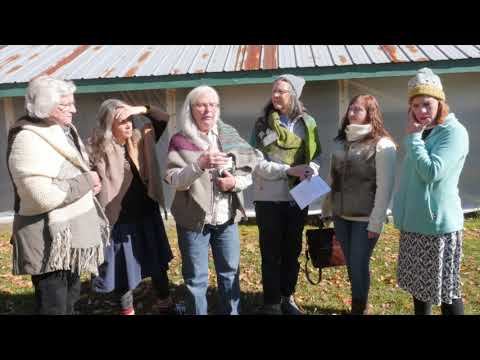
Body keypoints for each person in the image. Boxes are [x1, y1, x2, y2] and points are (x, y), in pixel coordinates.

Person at [6, 76, 108, 315]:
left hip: (68, 235)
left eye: (72, 102)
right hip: (46, 238)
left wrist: (89, 182)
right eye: (65, 105)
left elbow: (75, 169)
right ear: (45, 106)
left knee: (70, 298)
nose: (74, 109)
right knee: (53, 305)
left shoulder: (63, 130)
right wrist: (86, 181)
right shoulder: (26, 138)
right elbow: (42, 196)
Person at [165, 85, 257, 315]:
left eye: (213, 104)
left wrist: (234, 183)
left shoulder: (230, 135)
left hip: (226, 219)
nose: (208, 110)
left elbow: (248, 172)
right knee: (196, 280)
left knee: (229, 274)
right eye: (202, 104)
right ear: (190, 109)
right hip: (194, 221)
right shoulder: (180, 140)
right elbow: (174, 180)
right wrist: (199, 165)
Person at [88, 99, 177, 315]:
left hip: (147, 212)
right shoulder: (96, 146)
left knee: (157, 264)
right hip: (118, 219)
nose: (129, 125)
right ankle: (127, 309)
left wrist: (140, 109)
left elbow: (163, 118)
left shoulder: (140, 138)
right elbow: (85, 172)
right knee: (123, 270)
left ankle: (165, 303)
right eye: (122, 121)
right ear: (109, 125)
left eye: (130, 120)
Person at [393, 68, 469, 315]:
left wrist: (413, 139)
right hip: (415, 223)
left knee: (447, 293)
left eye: (426, 104)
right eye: (415, 105)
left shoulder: (453, 132)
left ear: (440, 102)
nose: (420, 111)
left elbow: (432, 172)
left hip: (438, 227)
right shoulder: (425, 132)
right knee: (419, 289)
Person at [250, 74, 322, 315]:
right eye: (274, 91)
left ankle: (287, 298)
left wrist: (313, 169)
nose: (276, 95)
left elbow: (316, 156)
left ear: (294, 95)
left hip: (298, 197)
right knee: (270, 253)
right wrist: (288, 170)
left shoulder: (308, 123)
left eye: (281, 91)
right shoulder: (262, 124)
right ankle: (271, 302)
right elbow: (255, 163)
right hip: (268, 197)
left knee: (292, 251)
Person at [322, 94, 397, 314]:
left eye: (358, 109)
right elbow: (332, 178)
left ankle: (360, 308)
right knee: (351, 264)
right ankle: (358, 300)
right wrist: (327, 206)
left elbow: (385, 187)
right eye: (351, 109)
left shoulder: (382, 145)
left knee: (358, 262)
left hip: (365, 218)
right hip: (340, 215)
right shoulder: (339, 142)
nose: (352, 113)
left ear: (370, 114)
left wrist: (377, 222)